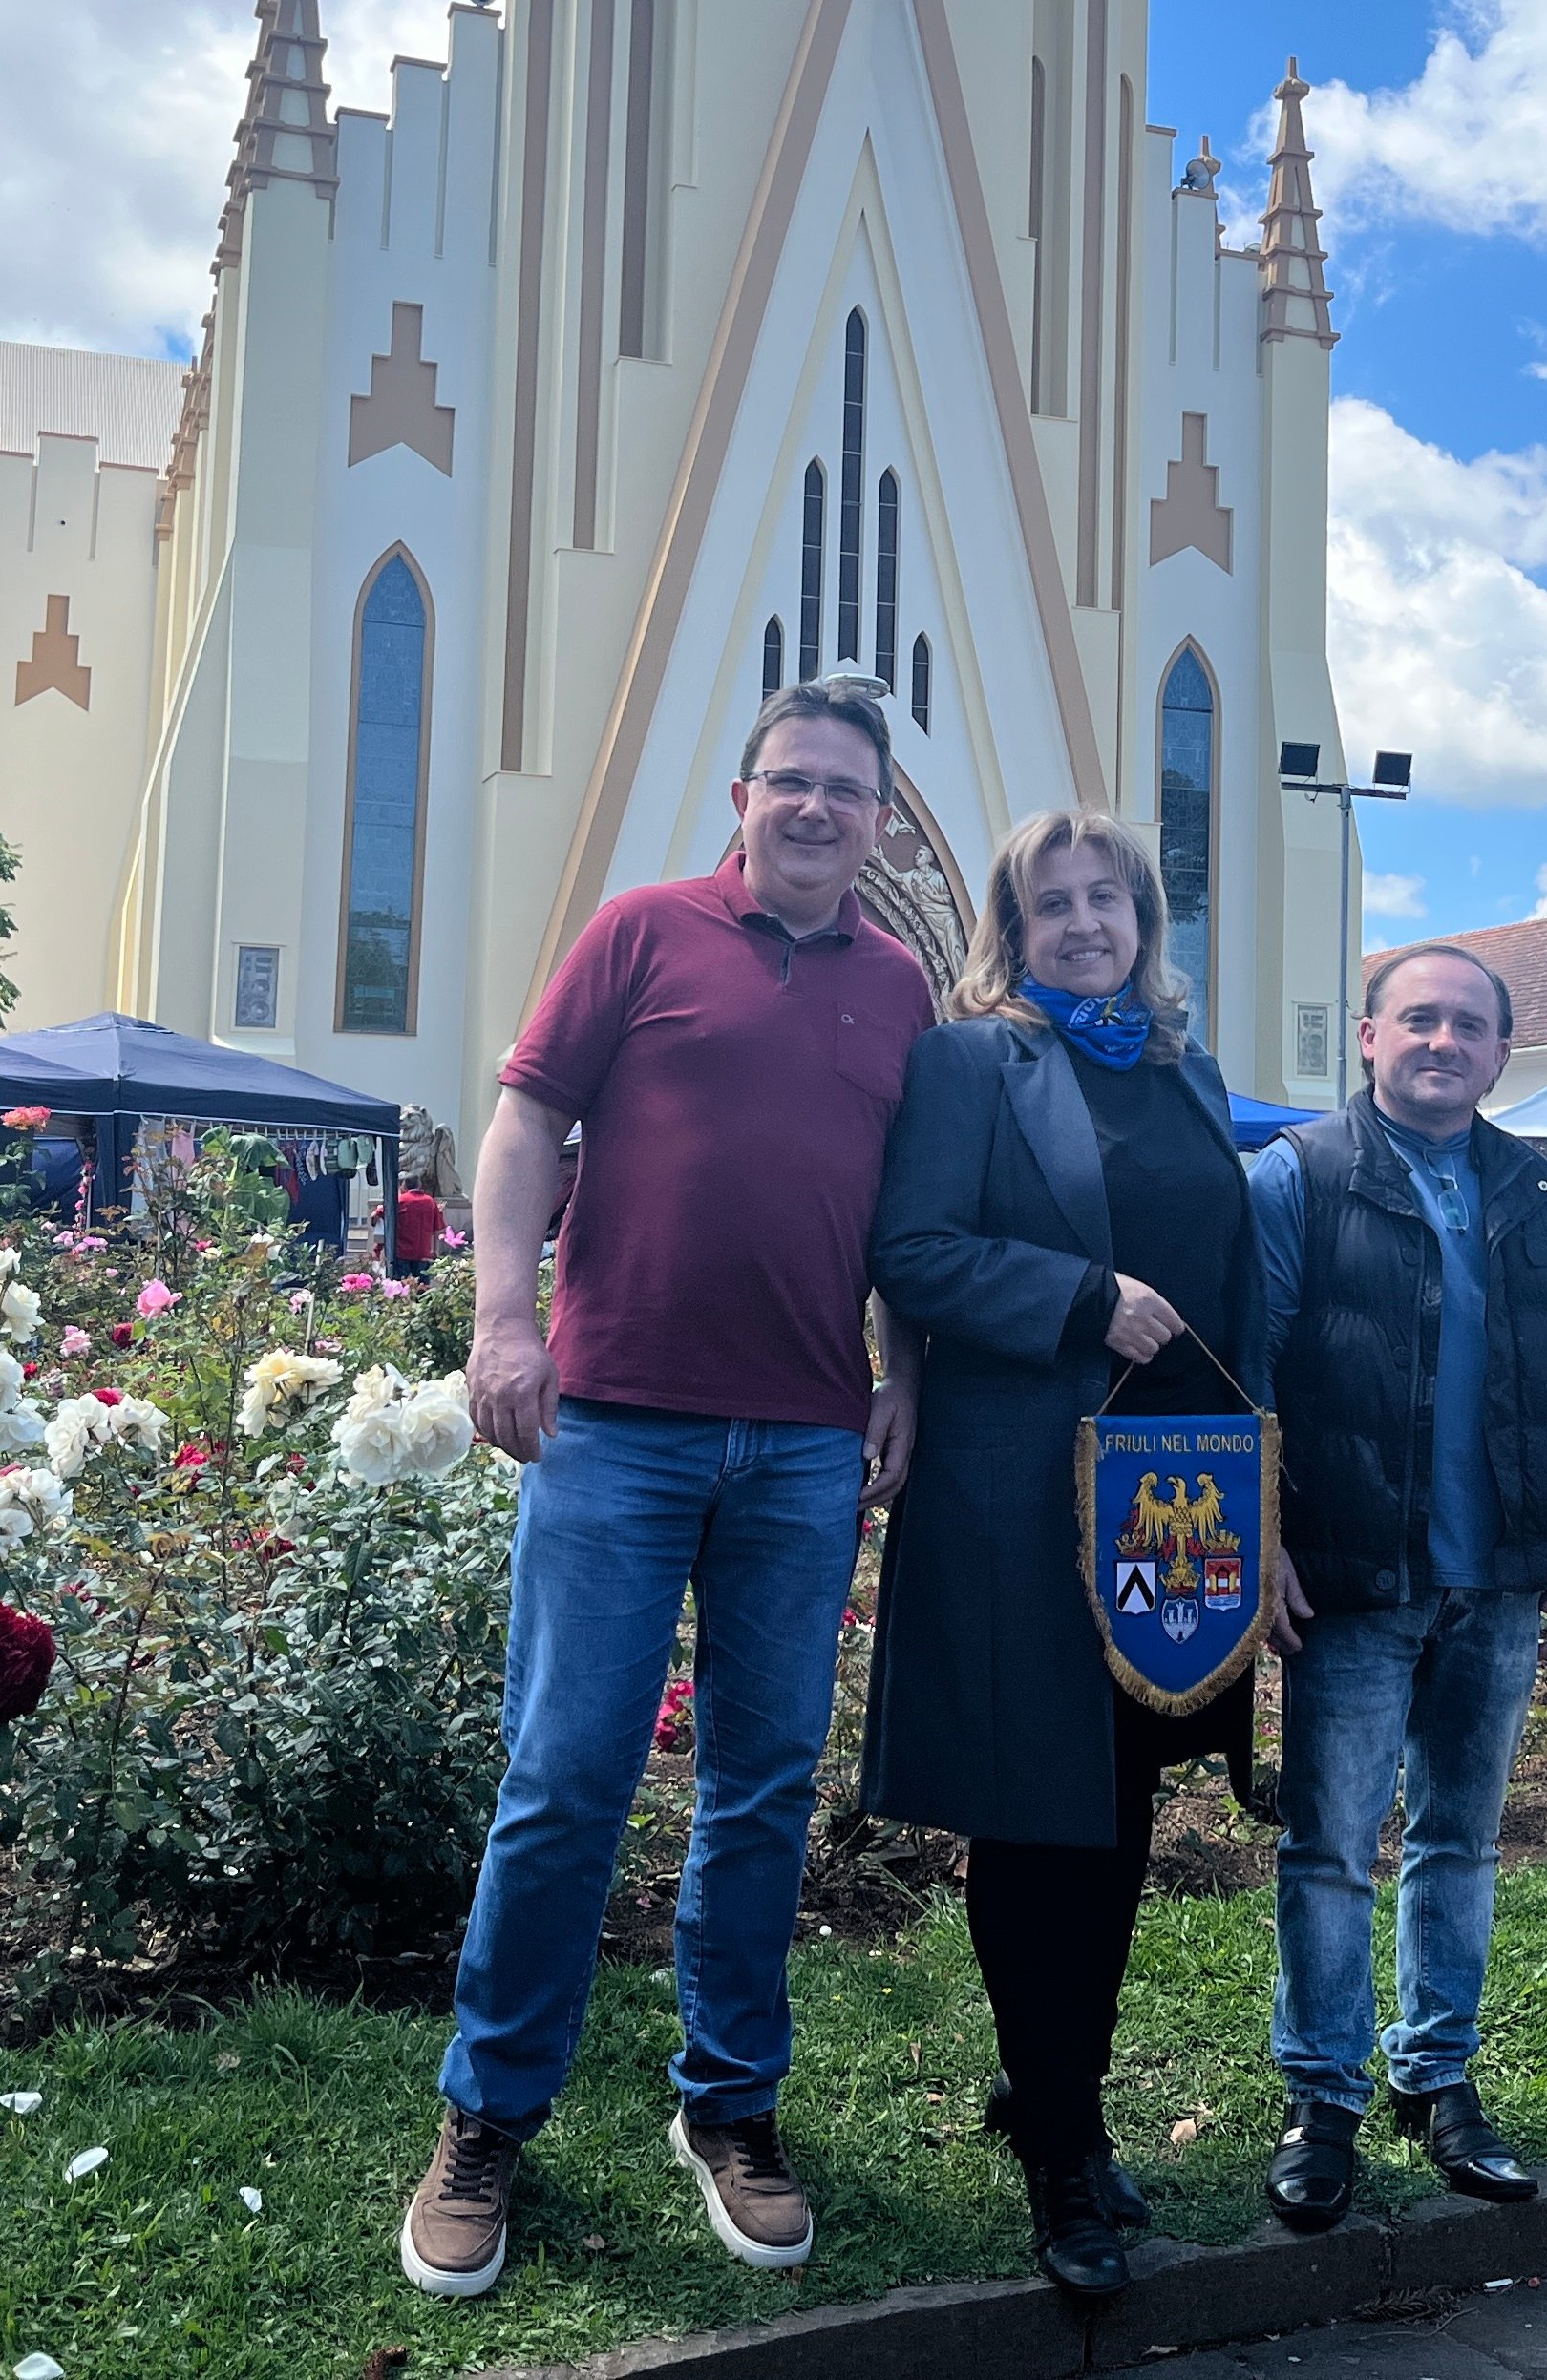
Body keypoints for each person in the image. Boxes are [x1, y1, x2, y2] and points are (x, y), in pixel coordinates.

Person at [401, 675, 926, 2299]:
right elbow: (520, 1125)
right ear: (744, 790)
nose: (818, 808)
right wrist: (500, 1316)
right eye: (793, 781)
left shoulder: (904, 987)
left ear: (882, 817)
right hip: (615, 1426)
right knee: (565, 1777)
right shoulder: (639, 933)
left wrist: (904, 1370)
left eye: (847, 788)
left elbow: (906, 1209)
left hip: (802, 1442)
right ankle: (485, 2117)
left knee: (762, 1787)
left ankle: (731, 2105)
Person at [862, 808, 1261, 2299]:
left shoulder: (1182, 1065)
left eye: (1109, 897)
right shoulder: (974, 1058)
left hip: (1171, 1497)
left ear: (1145, 919)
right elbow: (909, 1248)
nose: (1084, 920)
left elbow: (1230, 1279)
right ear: (1012, 928)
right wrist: (1080, 1293)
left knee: (1121, 1800)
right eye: (1053, 902)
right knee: (1041, 1816)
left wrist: (1256, 1487)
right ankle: (1061, 2148)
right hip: (1018, 1489)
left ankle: (1047, 2086)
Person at [1248, 944, 1547, 2230]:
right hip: (1351, 1563)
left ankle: (1438, 2073)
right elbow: (1254, 1367)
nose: (1441, 1040)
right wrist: (1268, 1538)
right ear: (1365, 1036)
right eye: (1418, 1019)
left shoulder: (1532, 1189)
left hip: (1499, 1569)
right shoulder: (1296, 1175)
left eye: (1467, 1024)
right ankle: (1322, 2096)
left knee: (1461, 1835)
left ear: (1501, 1051)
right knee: (1330, 1843)